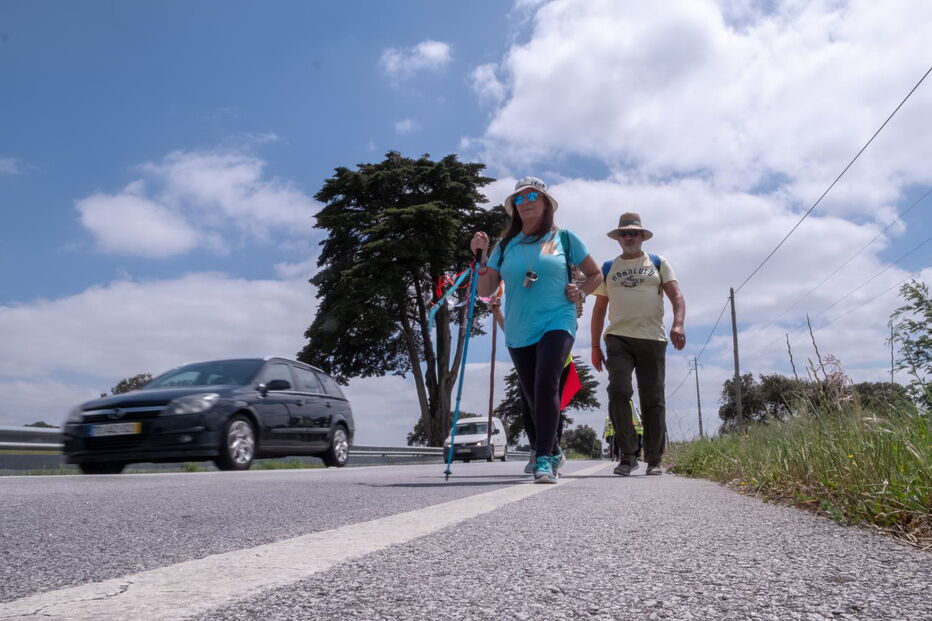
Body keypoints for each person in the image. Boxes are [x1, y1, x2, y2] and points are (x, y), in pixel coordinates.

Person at [471, 177, 602, 483]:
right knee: (531, 394)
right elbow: (487, 289)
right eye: (519, 199)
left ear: (545, 202)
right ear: (515, 208)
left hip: (558, 319)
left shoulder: (565, 238)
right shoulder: (506, 246)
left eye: (532, 195)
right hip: (519, 328)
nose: (526, 202)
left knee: (546, 382)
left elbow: (595, 274)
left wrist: (581, 291)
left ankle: (543, 457)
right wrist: (480, 257)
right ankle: (553, 449)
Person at [590, 212, 686, 476]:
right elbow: (599, 309)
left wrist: (678, 324)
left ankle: (654, 459)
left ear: (642, 236)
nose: (629, 237)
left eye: (633, 233)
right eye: (624, 233)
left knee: (653, 399)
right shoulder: (609, 267)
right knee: (619, 391)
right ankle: (628, 454)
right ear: (618, 238)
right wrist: (595, 346)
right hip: (618, 338)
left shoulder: (657, 262)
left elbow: (676, 295)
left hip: (652, 339)